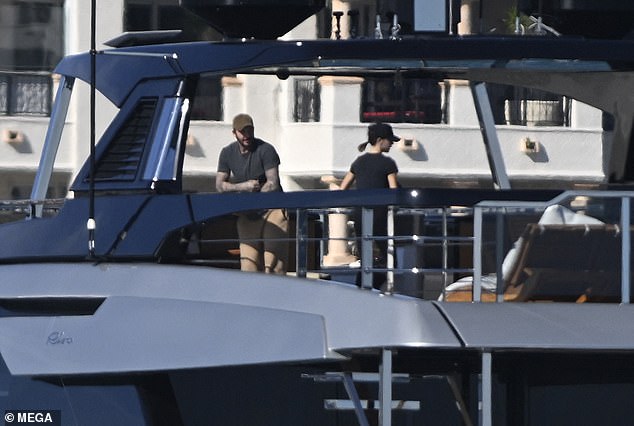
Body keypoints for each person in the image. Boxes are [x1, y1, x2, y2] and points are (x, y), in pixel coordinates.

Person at [216, 113, 288, 274]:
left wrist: (256, 193)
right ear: (234, 133)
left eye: (250, 130)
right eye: (243, 132)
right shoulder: (227, 152)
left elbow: (273, 182)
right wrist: (244, 187)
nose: (247, 135)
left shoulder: (266, 150)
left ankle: (278, 295)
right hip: (246, 213)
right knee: (248, 266)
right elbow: (220, 185)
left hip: (272, 209)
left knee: (273, 264)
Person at [338, 122, 400, 289]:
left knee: (366, 256)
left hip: (360, 215)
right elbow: (394, 191)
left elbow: (342, 188)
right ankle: (380, 288)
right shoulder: (388, 164)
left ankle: (363, 288)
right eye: (390, 140)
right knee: (388, 258)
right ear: (380, 140)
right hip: (381, 216)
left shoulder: (358, 162)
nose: (392, 143)